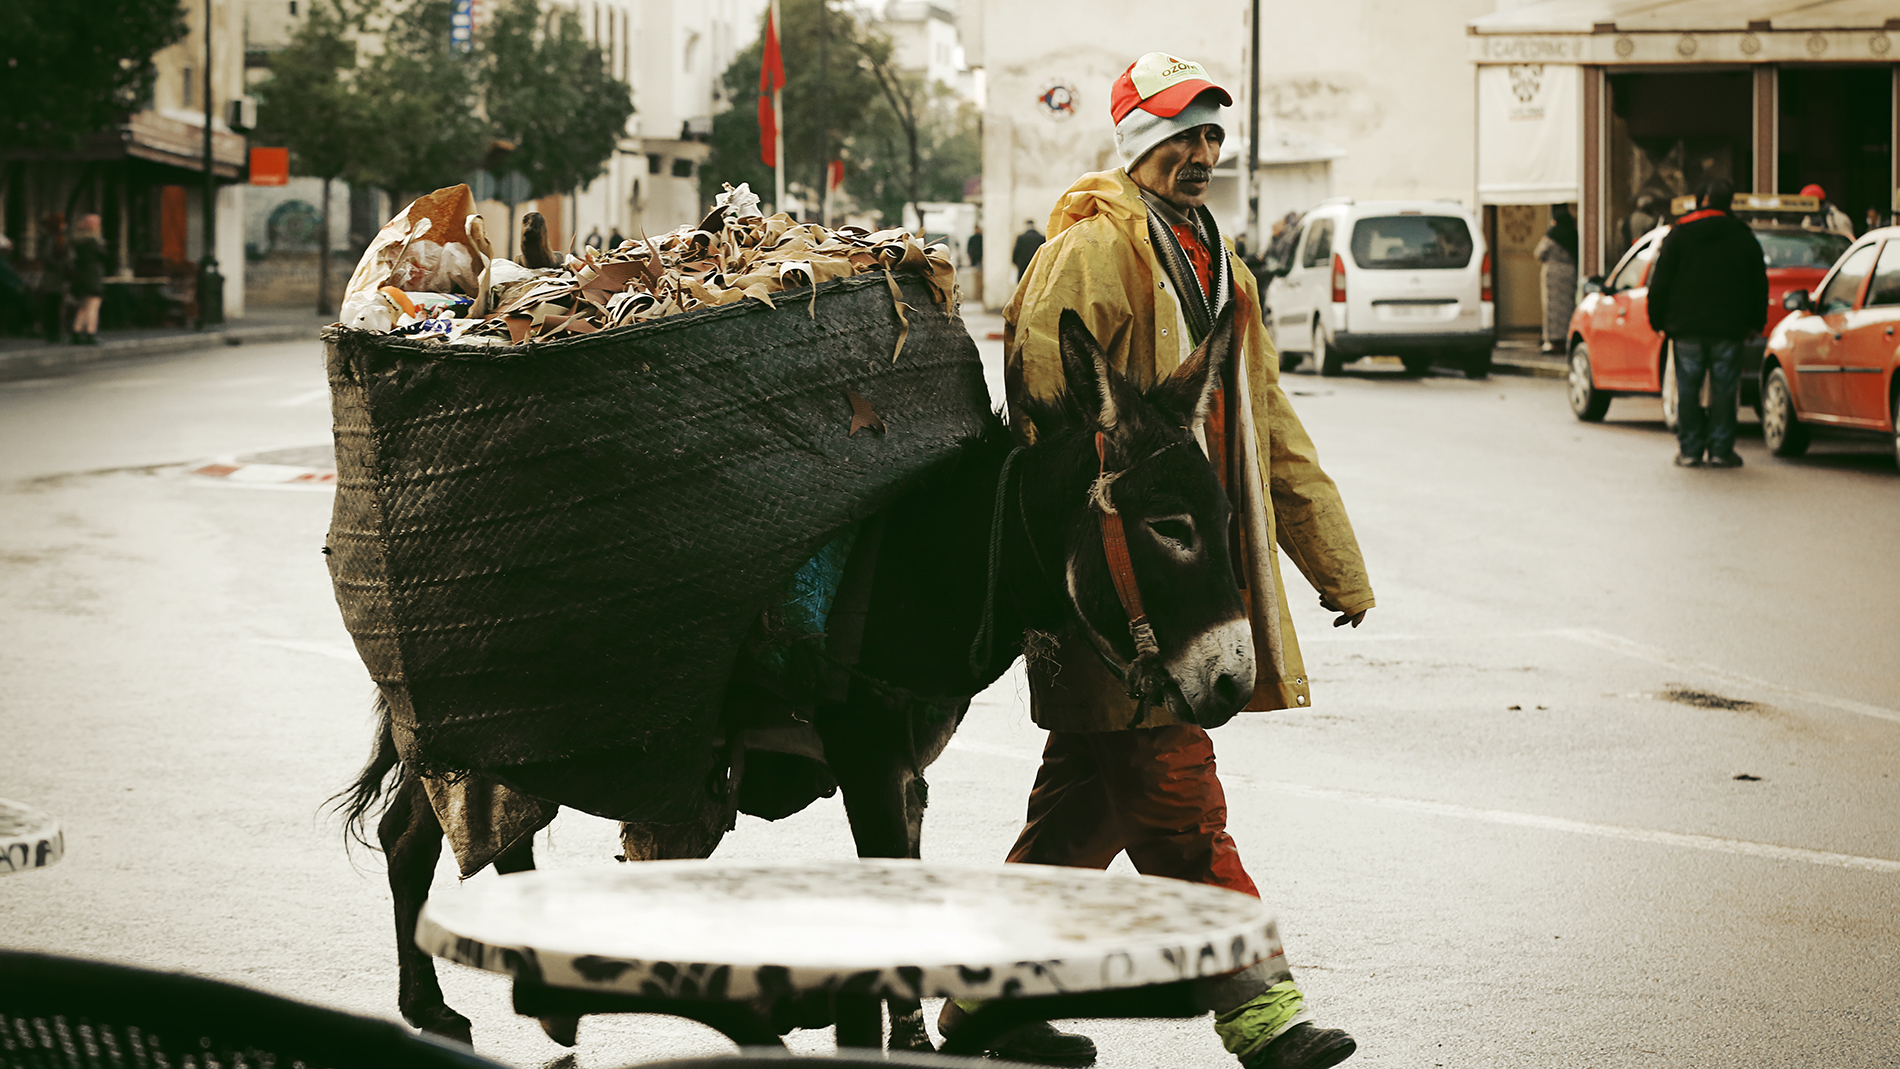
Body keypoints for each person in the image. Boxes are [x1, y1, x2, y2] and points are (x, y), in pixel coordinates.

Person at [940, 51, 1375, 1069]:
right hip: (1113, 590)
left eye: (1214, 133)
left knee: (1079, 812)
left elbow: (1265, 418)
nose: (1202, 152)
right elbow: (1048, 428)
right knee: (1178, 800)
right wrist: (1083, 579)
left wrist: (1331, 563)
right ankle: (1260, 1013)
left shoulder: (1221, 258)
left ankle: (978, 1009)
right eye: (1182, 132)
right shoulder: (1092, 250)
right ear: (1135, 138)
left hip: (1184, 577)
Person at [1646, 177, 1767, 469]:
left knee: (1688, 388)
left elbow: (1660, 282)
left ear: (1700, 200)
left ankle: (1689, 450)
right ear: (1729, 203)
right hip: (1729, 327)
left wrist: (1658, 320)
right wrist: (1755, 323)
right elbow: (1757, 283)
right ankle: (1721, 450)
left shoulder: (1678, 235)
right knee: (1726, 389)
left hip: (1685, 327)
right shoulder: (1742, 236)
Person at [1533, 204, 1579, 354]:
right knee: (1568, 306)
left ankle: (1552, 340)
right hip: (1570, 273)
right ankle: (1567, 337)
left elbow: (1539, 253)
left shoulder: (1552, 234)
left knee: (1551, 307)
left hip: (1552, 274)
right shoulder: (1574, 233)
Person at [68, 214, 108, 346]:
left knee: (82, 307)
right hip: (93, 276)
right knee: (93, 305)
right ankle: (90, 332)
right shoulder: (94, 243)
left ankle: (77, 331)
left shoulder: (78, 242)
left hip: (80, 276)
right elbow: (105, 257)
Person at [31, 216, 71, 344]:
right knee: (52, 305)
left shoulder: (60, 238)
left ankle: (55, 332)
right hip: (53, 277)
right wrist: (61, 266)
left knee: (56, 305)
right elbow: (46, 256)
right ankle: (52, 333)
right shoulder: (50, 239)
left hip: (58, 277)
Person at [965, 224, 985, 304]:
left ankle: (979, 294)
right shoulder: (974, 238)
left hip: (979, 259)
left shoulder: (981, 238)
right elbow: (968, 249)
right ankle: (977, 294)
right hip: (975, 259)